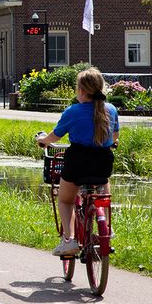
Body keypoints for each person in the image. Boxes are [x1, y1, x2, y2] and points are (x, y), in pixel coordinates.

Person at [35, 67, 119, 256]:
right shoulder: (111, 110)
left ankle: (69, 240)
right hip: (102, 161)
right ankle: (106, 226)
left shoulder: (72, 111)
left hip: (78, 162)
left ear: (81, 91)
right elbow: (115, 137)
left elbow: (55, 137)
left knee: (65, 201)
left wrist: (42, 140)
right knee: (103, 186)